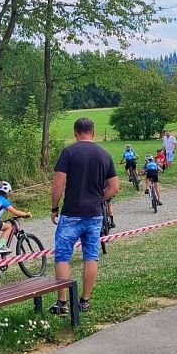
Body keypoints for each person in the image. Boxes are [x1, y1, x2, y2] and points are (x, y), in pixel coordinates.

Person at [49, 117, 119, 315]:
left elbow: (58, 184)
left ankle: (62, 303)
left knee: (63, 256)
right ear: (93, 132)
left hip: (71, 213)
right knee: (91, 256)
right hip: (94, 214)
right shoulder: (104, 154)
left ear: (75, 133)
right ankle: (85, 300)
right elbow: (114, 187)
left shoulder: (69, 152)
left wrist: (54, 208)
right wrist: (98, 198)